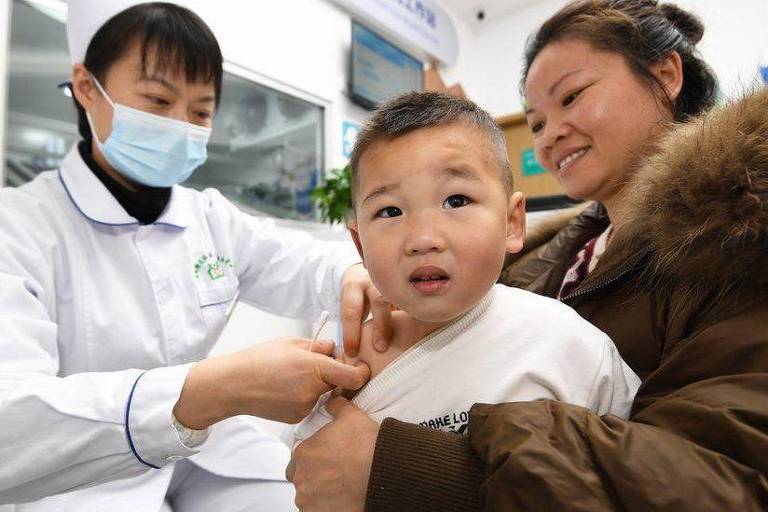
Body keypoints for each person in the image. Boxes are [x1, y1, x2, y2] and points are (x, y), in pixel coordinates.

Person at [288, 1, 768, 510]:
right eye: (536, 123)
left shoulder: (739, 246)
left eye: (572, 96)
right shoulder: (553, 257)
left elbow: (731, 480)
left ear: (665, 73)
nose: (551, 133)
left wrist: (415, 470)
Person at [0, 1, 384, 509]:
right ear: (88, 89)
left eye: (200, 111)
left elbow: (301, 263)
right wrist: (207, 390)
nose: (181, 125)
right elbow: (11, 425)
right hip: (79, 475)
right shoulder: (19, 227)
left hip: (209, 446)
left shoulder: (209, 217)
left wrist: (352, 272)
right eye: (158, 101)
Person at [290, 92, 640, 450]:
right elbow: (313, 472)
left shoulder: (568, 342)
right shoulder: (347, 369)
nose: (423, 239)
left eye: (455, 201)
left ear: (511, 223)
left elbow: (626, 466)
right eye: (390, 211)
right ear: (360, 244)